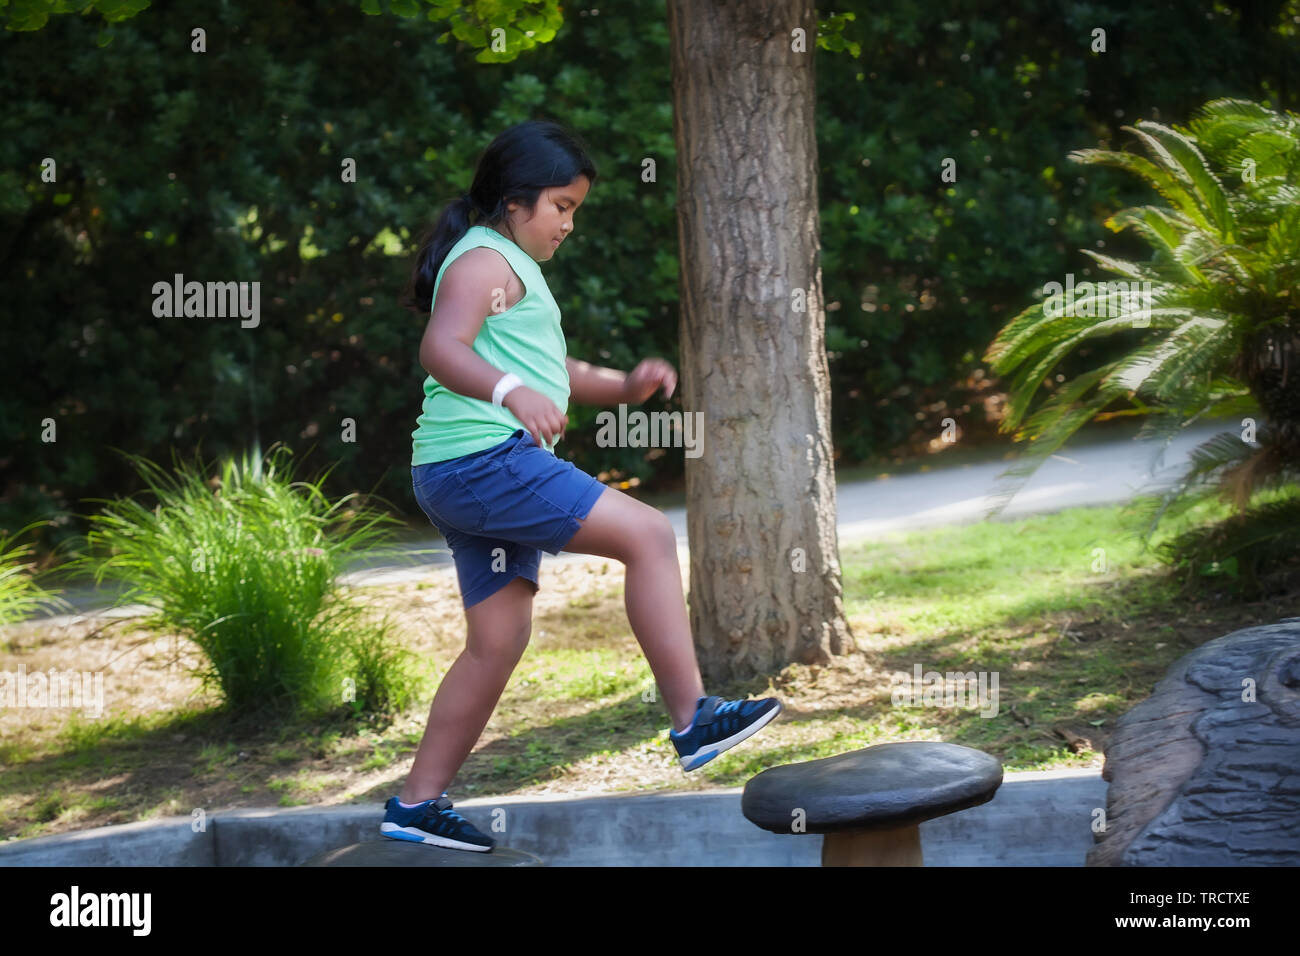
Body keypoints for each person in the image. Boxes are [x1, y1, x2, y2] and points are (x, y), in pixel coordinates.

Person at [382, 120, 781, 852]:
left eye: (575, 210)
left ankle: (416, 804)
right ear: (516, 201)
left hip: (456, 470)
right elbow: (440, 347)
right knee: (649, 534)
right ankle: (692, 718)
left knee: (496, 642)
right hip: (481, 461)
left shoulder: (511, 268)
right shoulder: (483, 262)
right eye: (561, 206)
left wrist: (625, 387)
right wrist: (507, 392)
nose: (569, 223)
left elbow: (556, 376)